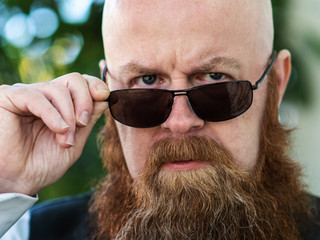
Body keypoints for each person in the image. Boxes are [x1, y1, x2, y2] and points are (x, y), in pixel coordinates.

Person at [1, 0, 320, 239]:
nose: (180, 123)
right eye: (147, 81)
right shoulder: (25, 231)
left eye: (214, 78)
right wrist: (7, 183)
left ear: (276, 83)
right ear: (105, 88)